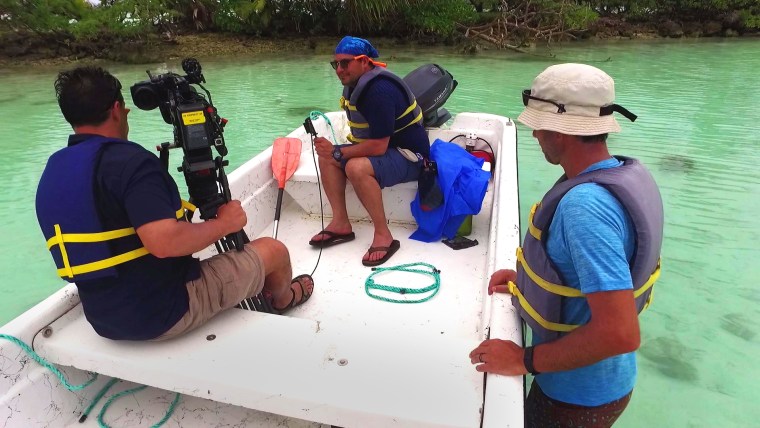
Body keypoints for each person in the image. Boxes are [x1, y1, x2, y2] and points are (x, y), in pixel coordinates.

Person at [36, 66, 315, 341]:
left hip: (103, 318)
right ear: (117, 109)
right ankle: (283, 299)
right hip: (164, 313)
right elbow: (164, 243)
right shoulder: (131, 162)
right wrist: (225, 223)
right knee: (274, 251)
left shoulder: (53, 170)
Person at [469, 63, 664, 427]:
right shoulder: (617, 173)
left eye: (539, 126)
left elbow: (620, 333)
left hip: (576, 398)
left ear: (560, 133)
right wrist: (528, 282)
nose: (534, 136)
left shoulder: (584, 207)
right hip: (603, 382)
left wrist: (522, 360)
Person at [309, 36, 430, 266]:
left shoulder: (378, 91)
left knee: (355, 167)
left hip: (411, 156)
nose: (339, 70)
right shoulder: (356, 84)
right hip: (390, 150)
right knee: (327, 158)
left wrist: (338, 151)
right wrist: (333, 153)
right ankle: (341, 224)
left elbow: (378, 146)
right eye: (336, 64)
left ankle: (383, 234)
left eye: (346, 63)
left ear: (364, 61)